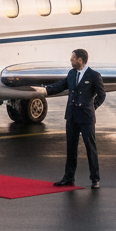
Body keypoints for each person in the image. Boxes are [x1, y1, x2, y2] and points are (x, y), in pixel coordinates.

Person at [45, 48, 106, 189]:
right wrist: (45, 90)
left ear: (80, 60)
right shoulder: (71, 73)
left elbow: (102, 95)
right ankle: (68, 178)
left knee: (90, 149)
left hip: (86, 118)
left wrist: (92, 107)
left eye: (72, 58)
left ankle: (95, 179)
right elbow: (60, 85)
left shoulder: (94, 75)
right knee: (71, 149)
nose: (70, 60)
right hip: (72, 116)